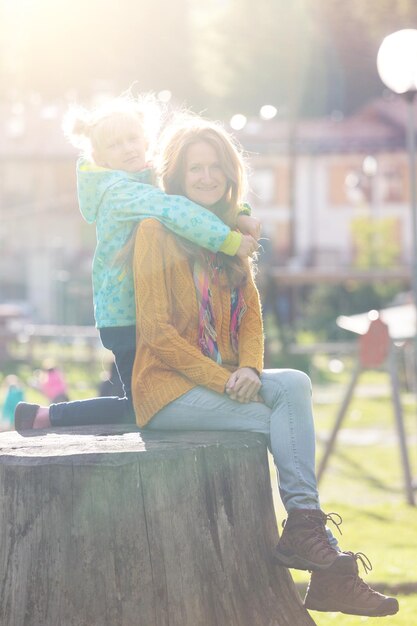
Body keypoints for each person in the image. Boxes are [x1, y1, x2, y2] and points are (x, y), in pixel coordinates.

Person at [129, 116, 399, 618]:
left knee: (293, 384)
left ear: (231, 176)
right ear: (177, 178)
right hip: (166, 391)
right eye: (195, 170)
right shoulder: (154, 231)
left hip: (223, 384)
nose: (206, 177)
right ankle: (325, 565)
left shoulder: (234, 237)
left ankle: (303, 529)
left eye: (215, 168)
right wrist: (223, 378)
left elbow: (250, 318)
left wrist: (250, 368)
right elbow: (156, 332)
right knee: (283, 423)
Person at [14, 95, 259, 430]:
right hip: (125, 317)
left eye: (132, 139)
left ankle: (44, 416)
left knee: (159, 397)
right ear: (99, 157)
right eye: (115, 145)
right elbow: (177, 209)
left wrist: (240, 212)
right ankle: (45, 417)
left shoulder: (144, 179)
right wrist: (231, 241)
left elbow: (193, 195)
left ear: (146, 140)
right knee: (146, 404)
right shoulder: (119, 192)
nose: (128, 148)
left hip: (150, 310)